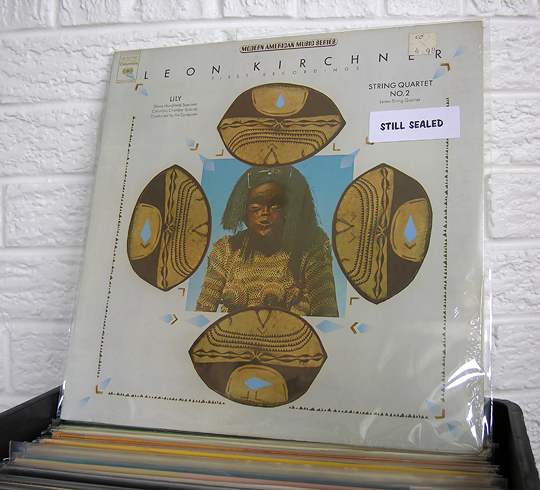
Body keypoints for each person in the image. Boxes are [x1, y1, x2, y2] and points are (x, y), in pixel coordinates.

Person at [196, 166, 338, 317]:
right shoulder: (226, 250)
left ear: (290, 210)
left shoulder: (311, 244)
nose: (265, 213)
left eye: (276, 207)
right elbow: (203, 313)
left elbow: (326, 314)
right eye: (255, 207)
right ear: (243, 210)